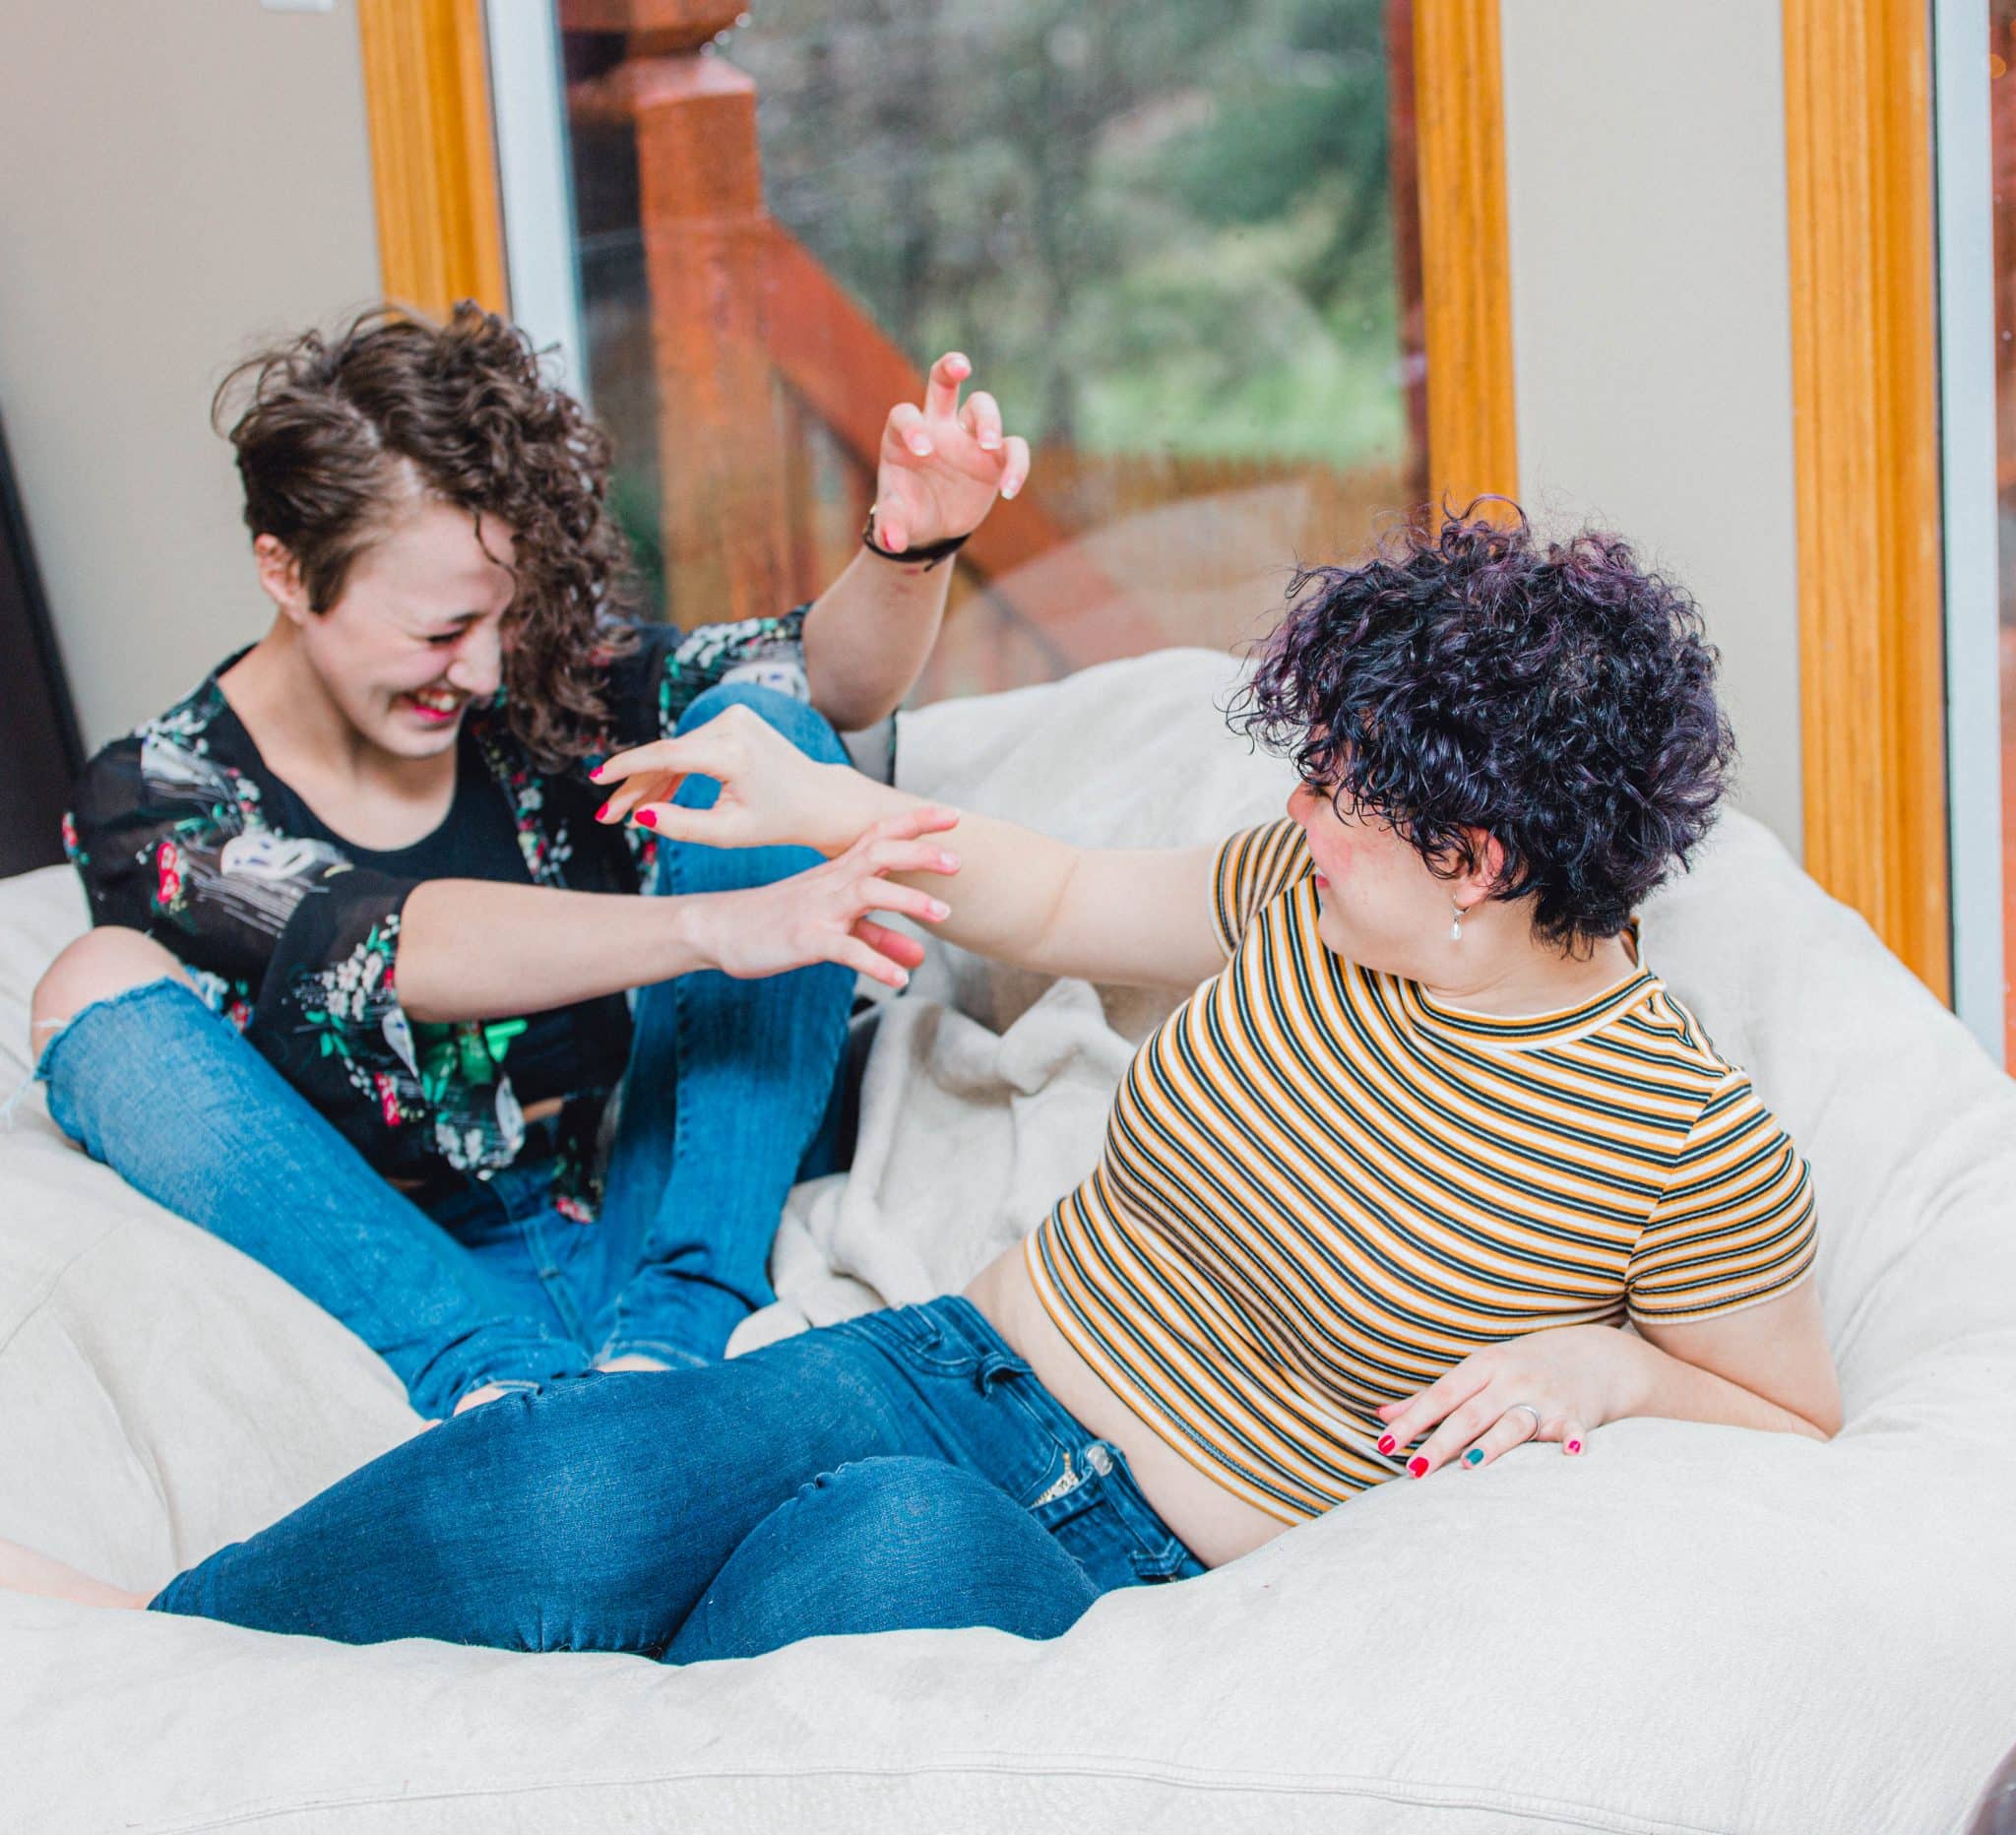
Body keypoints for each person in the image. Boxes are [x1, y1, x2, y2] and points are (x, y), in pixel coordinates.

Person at [4, 508, 1840, 1663]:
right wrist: (823, 808)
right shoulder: (1302, 895)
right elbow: (1052, 895)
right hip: (943, 1351)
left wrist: (1606, 1359)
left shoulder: (1674, 1131)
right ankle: (160, 1654)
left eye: (1344, 793)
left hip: (1138, 1531)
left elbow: (1793, 1423)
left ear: (1478, 858)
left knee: (854, 1572)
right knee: (567, 1481)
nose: (1298, 805)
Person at [29, 303, 1027, 1418]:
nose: (483, 667)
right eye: (441, 630)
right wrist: (708, 930)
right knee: (90, 983)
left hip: (657, 1195)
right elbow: (379, 945)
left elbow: (819, 682)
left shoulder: (540, 675)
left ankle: (679, 1330)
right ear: (284, 568)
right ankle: (506, 1389)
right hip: (423, 1264)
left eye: (500, 619)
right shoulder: (154, 795)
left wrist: (913, 546)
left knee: (761, 732)